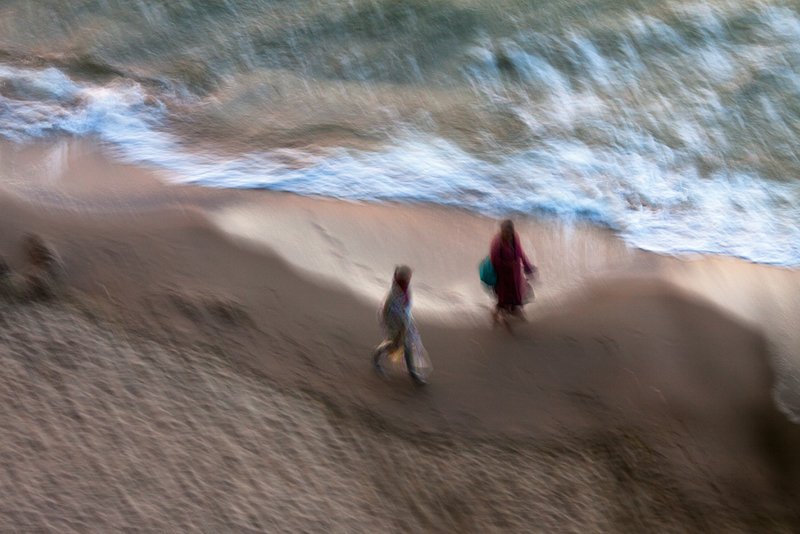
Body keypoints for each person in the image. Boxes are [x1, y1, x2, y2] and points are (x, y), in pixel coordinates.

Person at [372, 265, 429, 385]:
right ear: (403, 279)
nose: (410, 279)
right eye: (408, 277)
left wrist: (408, 322)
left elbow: (406, 307)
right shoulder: (393, 294)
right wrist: (397, 327)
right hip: (393, 322)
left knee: (408, 344)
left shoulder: (405, 288)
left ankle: (412, 373)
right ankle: (375, 358)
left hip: (404, 320)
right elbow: (386, 311)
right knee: (393, 344)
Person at [490, 219, 537, 326]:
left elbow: (520, 253)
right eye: (506, 231)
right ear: (502, 231)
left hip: (515, 274)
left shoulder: (515, 238)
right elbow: (494, 260)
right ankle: (495, 316)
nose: (508, 234)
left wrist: (527, 267)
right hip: (503, 276)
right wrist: (507, 264)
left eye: (510, 231)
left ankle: (515, 313)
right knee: (502, 298)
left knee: (517, 295)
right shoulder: (497, 242)